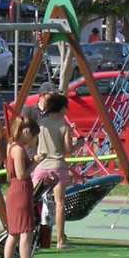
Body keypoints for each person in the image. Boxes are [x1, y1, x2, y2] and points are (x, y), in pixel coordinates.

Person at [31, 92, 78, 249]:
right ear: (62, 108)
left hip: (41, 165)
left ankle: (30, 235)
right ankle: (60, 240)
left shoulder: (42, 123)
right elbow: (68, 150)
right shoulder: (64, 126)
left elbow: (34, 142)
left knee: (32, 200)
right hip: (58, 165)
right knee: (59, 203)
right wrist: (81, 143)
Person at [2, 114, 37, 258]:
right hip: (21, 191)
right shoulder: (19, 150)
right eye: (33, 136)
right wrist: (35, 162)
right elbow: (21, 174)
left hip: (15, 191)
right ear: (26, 132)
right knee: (25, 232)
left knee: (14, 233)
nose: (33, 141)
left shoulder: (11, 145)